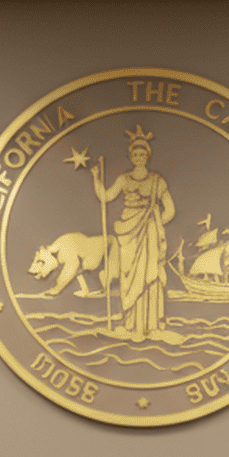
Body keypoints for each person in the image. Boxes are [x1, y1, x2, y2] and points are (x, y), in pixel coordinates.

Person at [92, 125, 176, 341]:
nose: (139, 158)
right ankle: (130, 325)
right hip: (128, 233)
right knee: (128, 276)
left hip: (149, 232)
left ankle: (151, 326)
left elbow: (170, 210)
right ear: (131, 157)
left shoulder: (157, 180)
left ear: (148, 156)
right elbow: (106, 197)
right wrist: (96, 178)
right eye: (135, 154)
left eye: (142, 154)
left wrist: (155, 224)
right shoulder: (124, 179)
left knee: (150, 276)